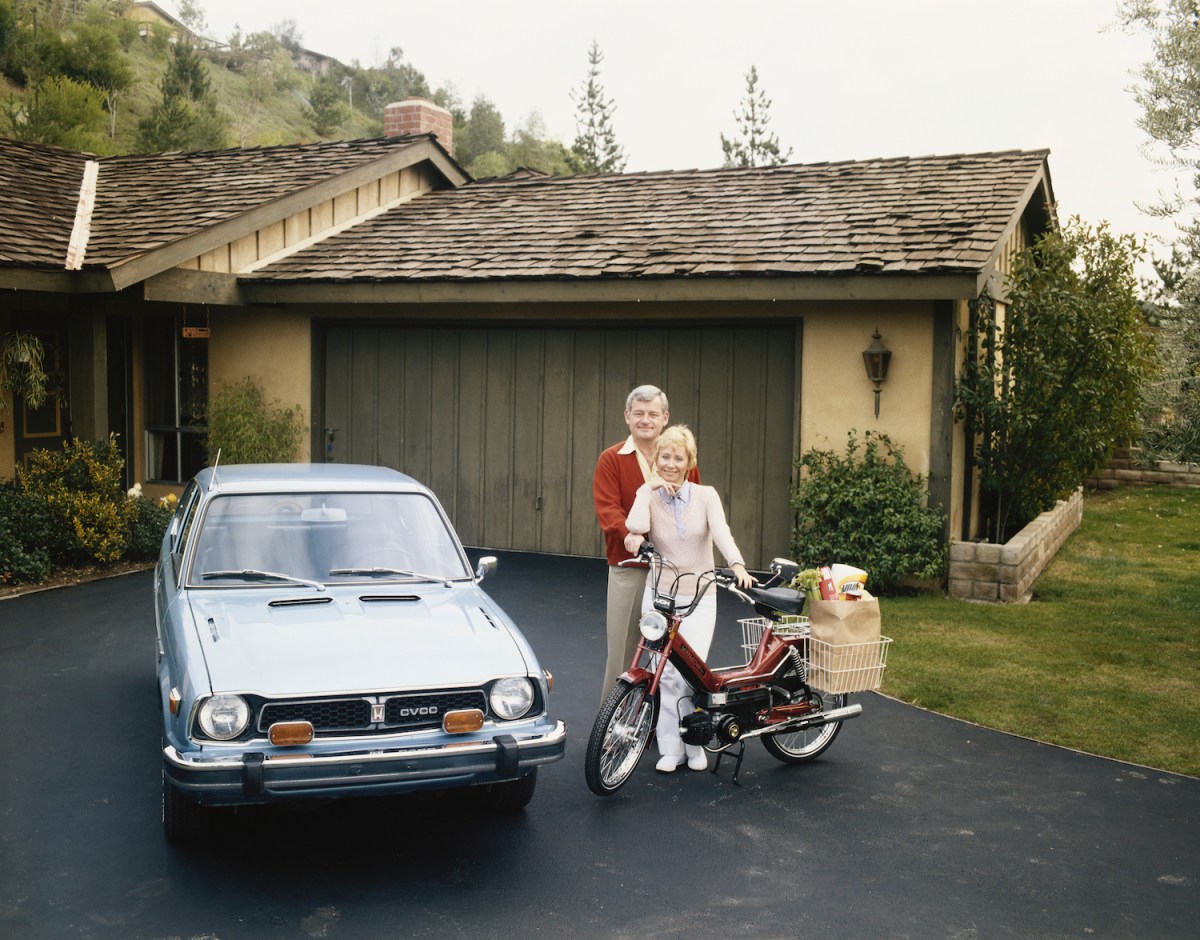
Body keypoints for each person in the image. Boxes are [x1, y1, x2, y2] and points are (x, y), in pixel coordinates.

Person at [624, 425, 754, 773]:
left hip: (699, 597)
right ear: (656, 459)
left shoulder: (706, 495)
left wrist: (737, 564)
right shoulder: (650, 495)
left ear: (688, 462)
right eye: (664, 456)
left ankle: (694, 743)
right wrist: (645, 489)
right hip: (660, 596)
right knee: (664, 675)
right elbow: (634, 526)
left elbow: (721, 532)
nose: (670, 463)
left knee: (689, 676)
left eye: (677, 457)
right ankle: (671, 749)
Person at [593, 385, 700, 705]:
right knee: (624, 650)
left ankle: (664, 726)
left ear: (665, 418)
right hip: (630, 565)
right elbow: (608, 508)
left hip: (676, 568)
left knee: (675, 650)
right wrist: (630, 536)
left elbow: (695, 506)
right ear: (627, 417)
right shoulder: (611, 459)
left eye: (653, 414)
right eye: (638, 413)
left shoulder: (683, 459)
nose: (645, 420)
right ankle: (611, 727)